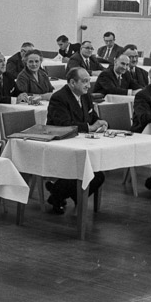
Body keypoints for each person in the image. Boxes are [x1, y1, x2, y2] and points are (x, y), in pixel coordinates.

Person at [44, 68, 108, 213]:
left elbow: (93, 118)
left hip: (81, 142)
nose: (88, 85)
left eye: (88, 81)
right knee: (86, 172)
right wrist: (90, 127)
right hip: (61, 143)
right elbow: (63, 123)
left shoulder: (86, 96)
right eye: (85, 82)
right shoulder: (59, 97)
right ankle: (62, 194)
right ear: (72, 82)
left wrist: (101, 123)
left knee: (97, 175)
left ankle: (58, 193)